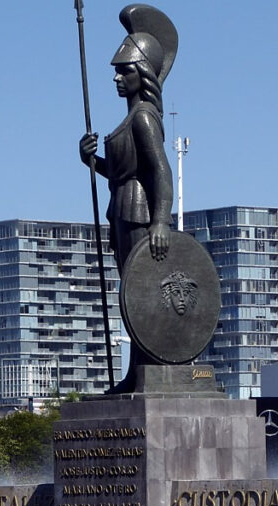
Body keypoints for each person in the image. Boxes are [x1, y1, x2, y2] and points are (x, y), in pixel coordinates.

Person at [79, 5, 177, 392]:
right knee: (129, 298)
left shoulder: (143, 118)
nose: (118, 77)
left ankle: (151, 372)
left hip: (139, 215)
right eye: (118, 71)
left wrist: (160, 221)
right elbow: (121, 173)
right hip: (121, 209)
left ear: (145, 74)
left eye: (126, 70)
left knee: (139, 297)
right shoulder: (130, 116)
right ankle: (137, 374)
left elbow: (159, 171)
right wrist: (91, 161)